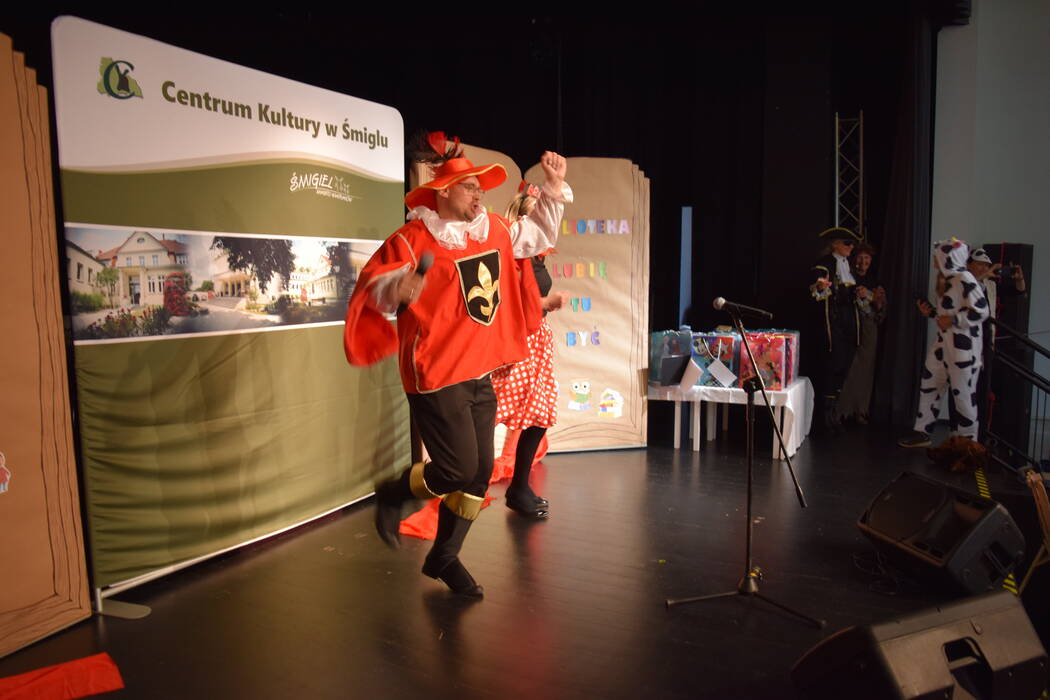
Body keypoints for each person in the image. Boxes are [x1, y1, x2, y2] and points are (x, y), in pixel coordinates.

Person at [343, 133, 542, 597]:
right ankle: (394, 494)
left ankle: (445, 556)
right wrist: (395, 290)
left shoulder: (490, 229)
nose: (479, 195)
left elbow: (532, 240)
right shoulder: (412, 239)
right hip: (436, 373)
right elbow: (375, 287)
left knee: (479, 472)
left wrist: (551, 190)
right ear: (445, 191)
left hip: (479, 369)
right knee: (455, 469)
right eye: (471, 187)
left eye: (480, 188)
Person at [490, 152, 572, 519]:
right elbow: (504, 299)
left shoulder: (535, 257)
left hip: (535, 340)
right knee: (496, 410)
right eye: (538, 213)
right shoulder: (510, 252)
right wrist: (543, 303)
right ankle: (455, 480)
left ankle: (519, 487)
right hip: (514, 342)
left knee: (538, 415)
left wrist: (542, 306)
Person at [898, 239, 989, 448]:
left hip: (963, 349)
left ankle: (968, 443)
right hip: (943, 344)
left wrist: (954, 320)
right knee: (930, 386)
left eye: (937, 254)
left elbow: (982, 310)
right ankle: (923, 431)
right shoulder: (946, 279)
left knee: (963, 395)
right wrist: (932, 313)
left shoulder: (964, 278)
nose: (934, 258)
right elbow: (947, 315)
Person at [808, 227, 862, 432]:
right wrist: (820, 287)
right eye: (847, 243)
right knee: (832, 366)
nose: (851, 247)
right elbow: (815, 289)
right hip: (833, 324)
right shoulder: (824, 265)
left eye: (852, 244)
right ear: (835, 244)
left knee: (843, 366)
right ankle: (825, 416)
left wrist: (860, 294)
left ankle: (834, 413)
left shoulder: (850, 267)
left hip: (848, 322)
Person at [836, 242, 886, 424]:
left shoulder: (874, 280)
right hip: (849, 326)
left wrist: (870, 296)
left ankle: (860, 410)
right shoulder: (848, 276)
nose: (864, 261)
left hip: (868, 329)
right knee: (848, 367)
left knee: (865, 370)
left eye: (867, 257)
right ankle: (841, 411)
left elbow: (881, 305)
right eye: (861, 257)